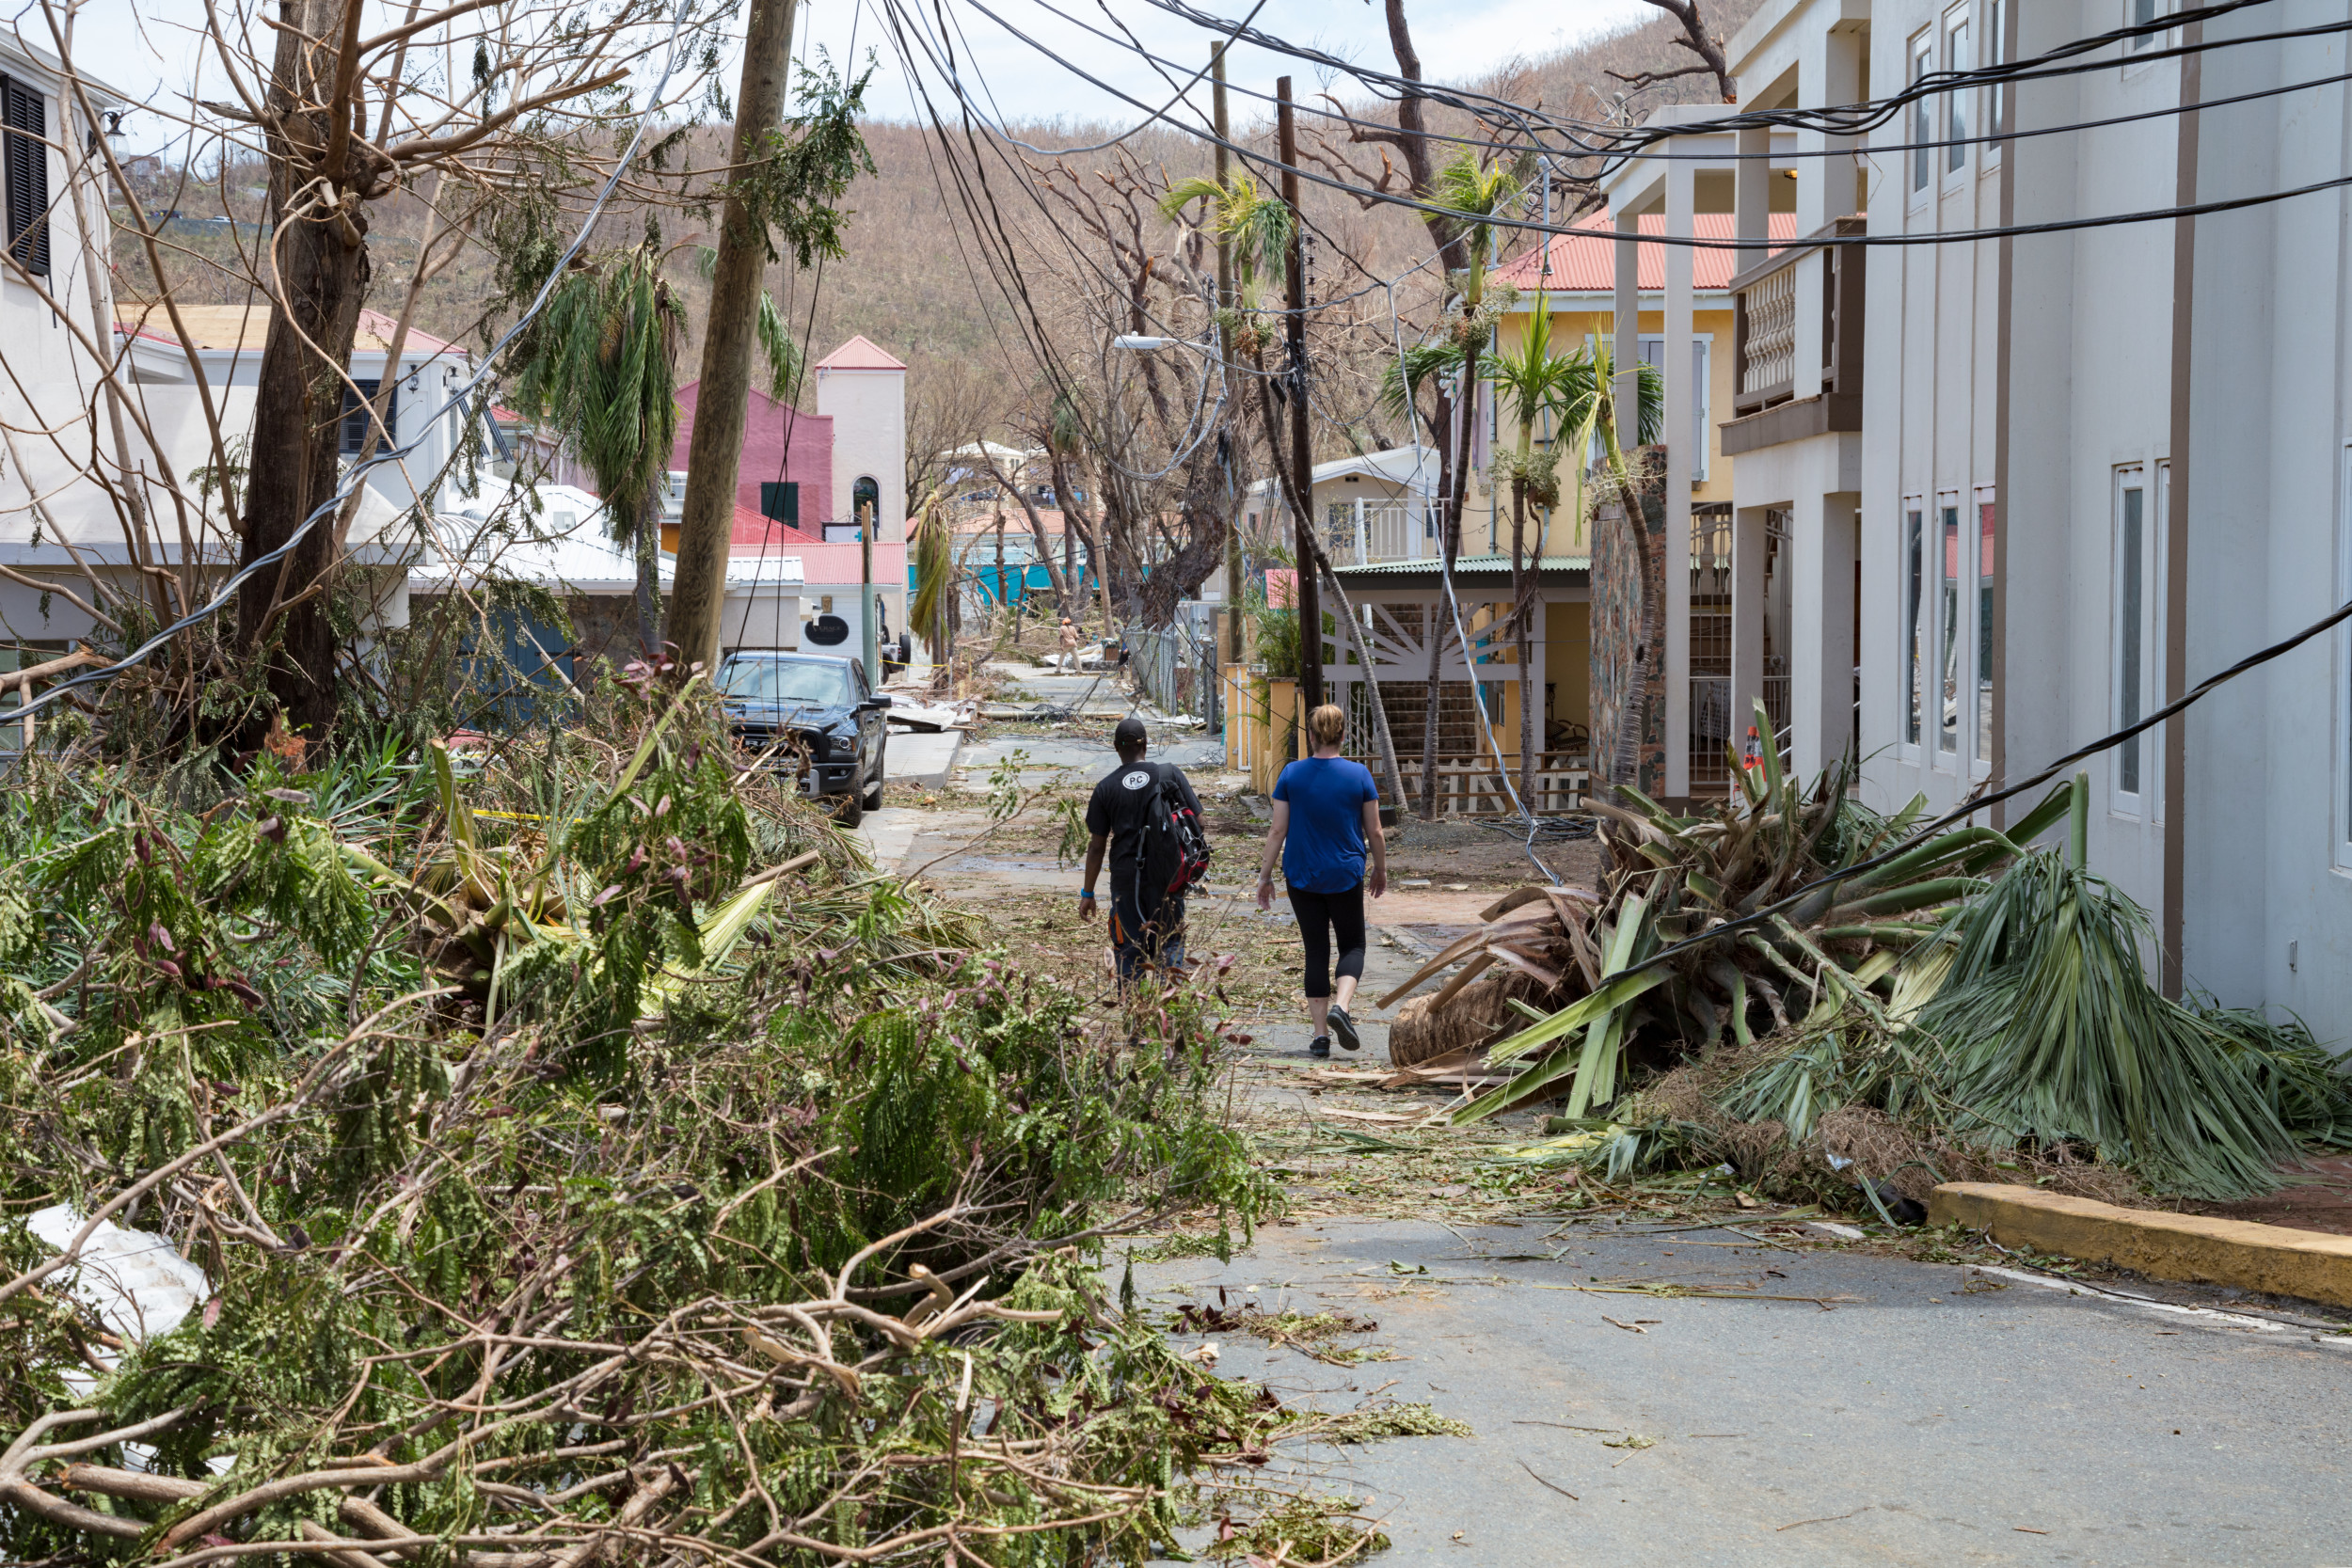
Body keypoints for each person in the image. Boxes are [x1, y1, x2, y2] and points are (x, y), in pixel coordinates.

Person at [1255, 704, 1387, 1058]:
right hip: (1345, 874)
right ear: (1343, 735)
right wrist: (1380, 868)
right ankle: (1341, 1008)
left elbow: (1278, 829)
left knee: (1316, 949)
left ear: (1310, 736)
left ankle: (1319, 1037)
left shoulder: (1291, 775)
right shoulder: (1359, 775)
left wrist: (1264, 876)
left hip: (1302, 874)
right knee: (1353, 946)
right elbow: (1374, 830)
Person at [1080, 716, 1203, 985]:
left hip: (1126, 884)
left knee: (1127, 950)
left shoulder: (1105, 788)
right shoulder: (1169, 773)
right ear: (1146, 744)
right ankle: (1168, 1010)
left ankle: (1134, 1018)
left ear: (1116, 747)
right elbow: (1199, 822)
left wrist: (1087, 893)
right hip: (1168, 877)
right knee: (1170, 942)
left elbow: (1096, 846)